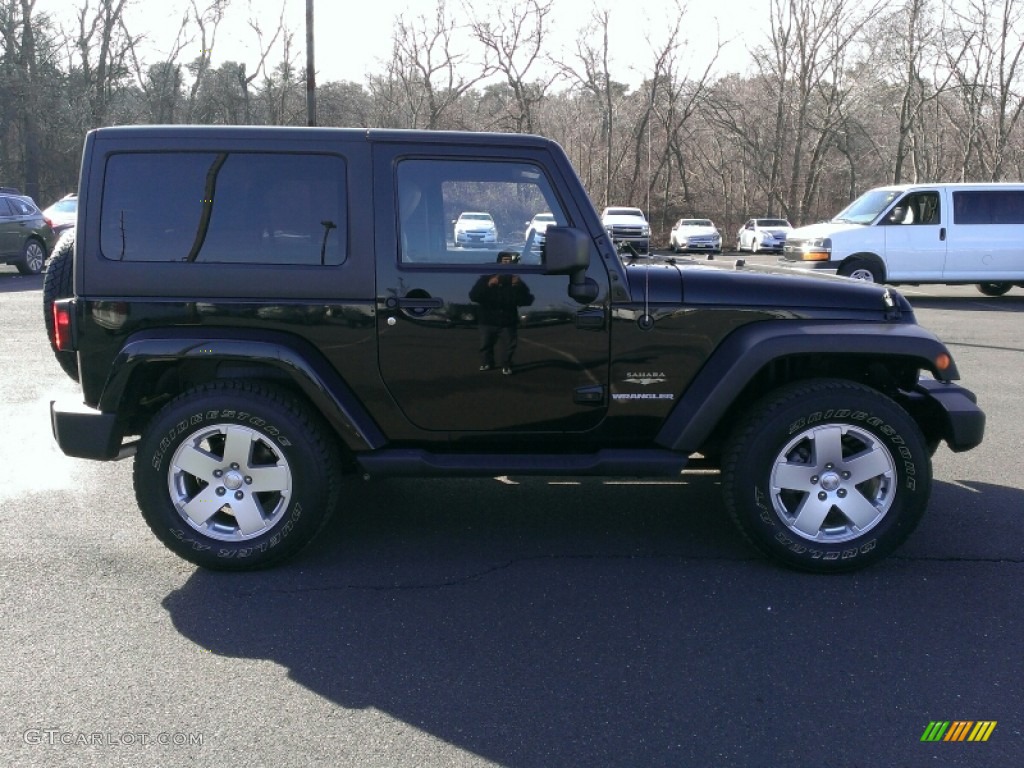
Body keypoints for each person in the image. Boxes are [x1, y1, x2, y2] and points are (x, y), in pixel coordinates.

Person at [469, 251, 534, 375]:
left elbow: (527, 300)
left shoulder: (517, 281)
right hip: (488, 320)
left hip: (508, 320)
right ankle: (486, 363)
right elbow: (474, 296)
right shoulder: (486, 279)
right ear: (498, 262)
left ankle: (506, 365)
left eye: (509, 261)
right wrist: (489, 285)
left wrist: (517, 287)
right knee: (485, 345)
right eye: (504, 261)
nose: (507, 263)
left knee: (509, 346)